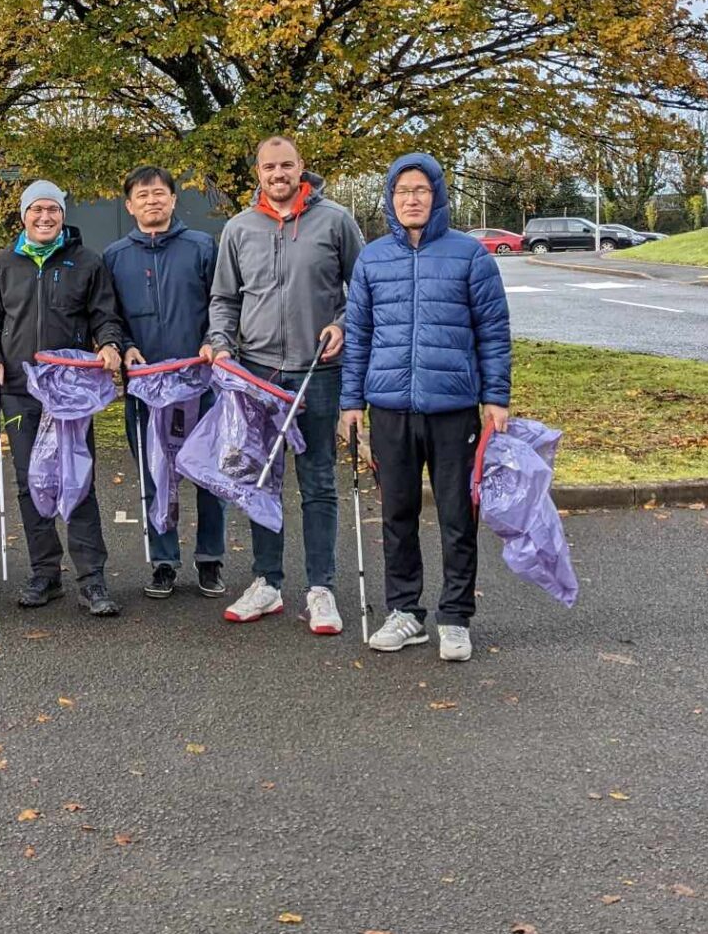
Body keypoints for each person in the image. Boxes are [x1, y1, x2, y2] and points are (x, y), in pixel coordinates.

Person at [340, 154, 511, 664]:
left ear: (436, 195)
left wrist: (495, 397)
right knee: (397, 513)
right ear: (390, 199)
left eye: (420, 189)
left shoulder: (470, 255)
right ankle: (405, 613)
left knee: (458, 514)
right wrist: (351, 403)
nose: (411, 199)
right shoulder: (371, 259)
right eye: (401, 191)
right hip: (389, 407)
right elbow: (358, 337)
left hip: (453, 406)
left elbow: (493, 331)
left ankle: (455, 617)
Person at [204, 135, 365, 634]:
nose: (278, 174)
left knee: (317, 481)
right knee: (259, 481)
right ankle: (267, 582)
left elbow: (361, 292)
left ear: (302, 168)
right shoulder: (238, 228)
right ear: (258, 172)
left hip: (317, 372)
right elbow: (224, 299)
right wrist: (223, 344)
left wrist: (343, 323)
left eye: (287, 165)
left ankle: (322, 589)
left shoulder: (335, 221)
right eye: (269, 166)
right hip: (256, 374)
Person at [0, 180, 126, 617]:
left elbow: (105, 316)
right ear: (23, 215)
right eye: (36, 210)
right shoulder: (2, 264)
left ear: (63, 214)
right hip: (21, 392)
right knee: (30, 483)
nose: (45, 217)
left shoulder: (87, 263)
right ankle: (45, 572)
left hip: (70, 393)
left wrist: (109, 344)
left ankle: (92, 579)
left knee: (77, 481)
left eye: (53, 210)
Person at [103, 166, 224, 599]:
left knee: (208, 474)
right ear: (129, 204)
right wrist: (126, 345)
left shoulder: (201, 246)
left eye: (160, 194)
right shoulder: (115, 256)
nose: (152, 201)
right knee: (155, 476)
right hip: (145, 386)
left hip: (200, 383)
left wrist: (214, 340)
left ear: (174, 200)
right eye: (143, 195)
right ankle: (164, 561)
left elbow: (222, 305)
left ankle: (210, 559)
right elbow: (108, 316)